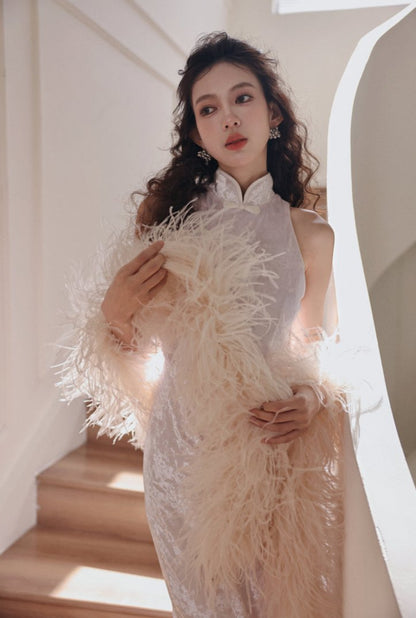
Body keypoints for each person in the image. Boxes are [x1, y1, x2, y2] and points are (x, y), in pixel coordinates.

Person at [62, 32, 345, 617]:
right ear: (196, 133)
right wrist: (114, 313)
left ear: (273, 113)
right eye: (208, 109)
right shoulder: (168, 222)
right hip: (181, 454)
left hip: (270, 450)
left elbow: (313, 345)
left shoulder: (311, 234)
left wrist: (313, 398)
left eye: (242, 98)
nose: (228, 118)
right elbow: (133, 350)